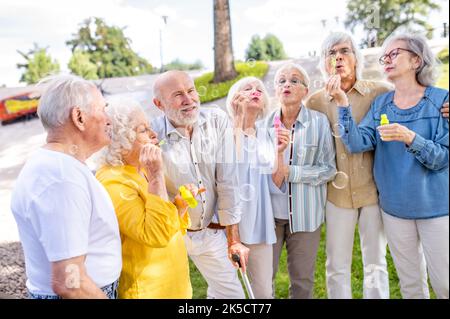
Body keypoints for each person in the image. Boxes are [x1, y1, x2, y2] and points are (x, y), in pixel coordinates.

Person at [337, 32, 449, 299]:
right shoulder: (381, 104)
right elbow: (356, 143)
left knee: (445, 283)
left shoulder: (441, 101)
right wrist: (343, 105)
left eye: (394, 54)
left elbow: (442, 159)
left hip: (437, 209)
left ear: (416, 60)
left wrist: (410, 137)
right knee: (411, 286)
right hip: (395, 210)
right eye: (383, 56)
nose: (385, 60)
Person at [10, 74, 122, 299]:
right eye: (103, 109)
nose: (109, 118)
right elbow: (70, 282)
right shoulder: (61, 179)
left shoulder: (58, 166)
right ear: (79, 117)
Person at [306, 32, 391, 299]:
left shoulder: (379, 92)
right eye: (331, 53)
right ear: (324, 62)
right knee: (336, 265)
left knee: (376, 262)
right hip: (336, 194)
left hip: (372, 192)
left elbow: (411, 104)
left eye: (344, 51)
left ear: (356, 58)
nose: (338, 57)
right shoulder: (316, 101)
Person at [151, 70, 248, 299]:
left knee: (232, 297)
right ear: (159, 103)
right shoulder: (151, 134)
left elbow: (228, 180)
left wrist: (233, 240)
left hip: (208, 231)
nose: (189, 100)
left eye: (191, 90)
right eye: (177, 95)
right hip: (171, 236)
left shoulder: (217, 120)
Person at [96, 97, 196, 298]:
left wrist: (180, 208)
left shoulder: (139, 171)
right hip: (148, 290)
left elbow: (165, 226)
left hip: (173, 285)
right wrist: (157, 175)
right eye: (143, 130)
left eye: (150, 127)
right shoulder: (113, 181)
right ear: (120, 140)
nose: (154, 134)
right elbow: (155, 234)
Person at [265, 63, 336, 299]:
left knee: (302, 281)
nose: (287, 84)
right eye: (282, 80)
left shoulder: (319, 122)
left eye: (295, 80)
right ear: (276, 89)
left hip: (305, 217)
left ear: (305, 90)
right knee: (264, 280)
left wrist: (292, 172)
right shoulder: (263, 126)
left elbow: (328, 170)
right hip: (269, 218)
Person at [225, 77, 290, 298]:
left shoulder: (267, 134)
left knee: (263, 291)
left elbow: (276, 183)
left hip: (260, 221)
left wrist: (280, 153)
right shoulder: (224, 130)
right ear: (235, 98)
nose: (255, 91)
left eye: (259, 89)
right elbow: (228, 167)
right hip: (228, 222)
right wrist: (238, 118)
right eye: (247, 88)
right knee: (226, 291)